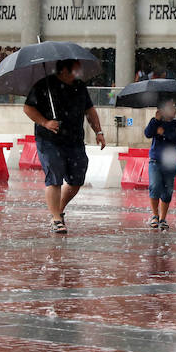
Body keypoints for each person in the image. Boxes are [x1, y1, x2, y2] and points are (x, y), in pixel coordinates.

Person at [23, 59, 106, 234]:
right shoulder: (44, 85)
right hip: (49, 140)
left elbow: (90, 110)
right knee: (54, 176)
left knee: (77, 179)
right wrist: (45, 122)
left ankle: (58, 209)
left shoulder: (80, 86)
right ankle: (56, 219)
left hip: (74, 140)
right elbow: (28, 108)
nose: (78, 74)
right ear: (63, 71)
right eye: (75, 70)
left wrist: (98, 131)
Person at [144, 99, 176, 231]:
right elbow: (147, 133)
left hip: (170, 162)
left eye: (174, 106)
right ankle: (155, 216)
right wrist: (156, 120)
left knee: (167, 191)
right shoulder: (156, 122)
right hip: (155, 160)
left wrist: (164, 134)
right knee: (154, 186)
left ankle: (163, 218)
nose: (173, 109)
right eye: (170, 107)